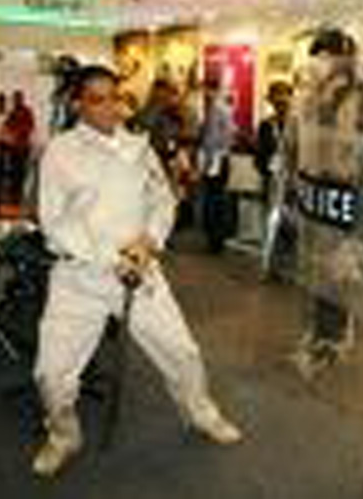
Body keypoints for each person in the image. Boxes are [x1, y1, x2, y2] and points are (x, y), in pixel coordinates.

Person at [32, 65, 242, 477]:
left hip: (140, 271)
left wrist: (150, 240)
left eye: (114, 97)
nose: (110, 107)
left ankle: (200, 412)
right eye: (97, 100)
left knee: (182, 352)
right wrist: (111, 258)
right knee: (51, 374)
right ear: (77, 105)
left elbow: (162, 200)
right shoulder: (60, 152)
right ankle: (62, 435)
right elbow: (53, 222)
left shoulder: (138, 147)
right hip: (80, 278)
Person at [291, 28, 363, 378]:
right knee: (320, 269)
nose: (320, 63)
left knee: (337, 272)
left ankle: (330, 341)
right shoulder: (317, 95)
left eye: (326, 56)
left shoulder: (359, 95)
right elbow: (310, 143)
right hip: (319, 194)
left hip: (345, 193)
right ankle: (321, 334)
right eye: (317, 57)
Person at [255, 81, 295, 279]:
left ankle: (287, 264)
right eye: (276, 100)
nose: (281, 104)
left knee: (290, 225)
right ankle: (269, 265)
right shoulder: (265, 126)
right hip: (271, 181)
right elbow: (259, 156)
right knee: (270, 223)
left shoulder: (296, 125)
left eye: (284, 99)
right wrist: (268, 169)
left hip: (292, 183)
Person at [198, 78, 235, 253]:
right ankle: (216, 237)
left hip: (216, 159)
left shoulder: (216, 108)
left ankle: (215, 238)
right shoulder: (223, 108)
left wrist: (208, 163)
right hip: (221, 157)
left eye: (205, 90)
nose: (204, 94)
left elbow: (212, 138)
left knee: (213, 199)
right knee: (217, 198)